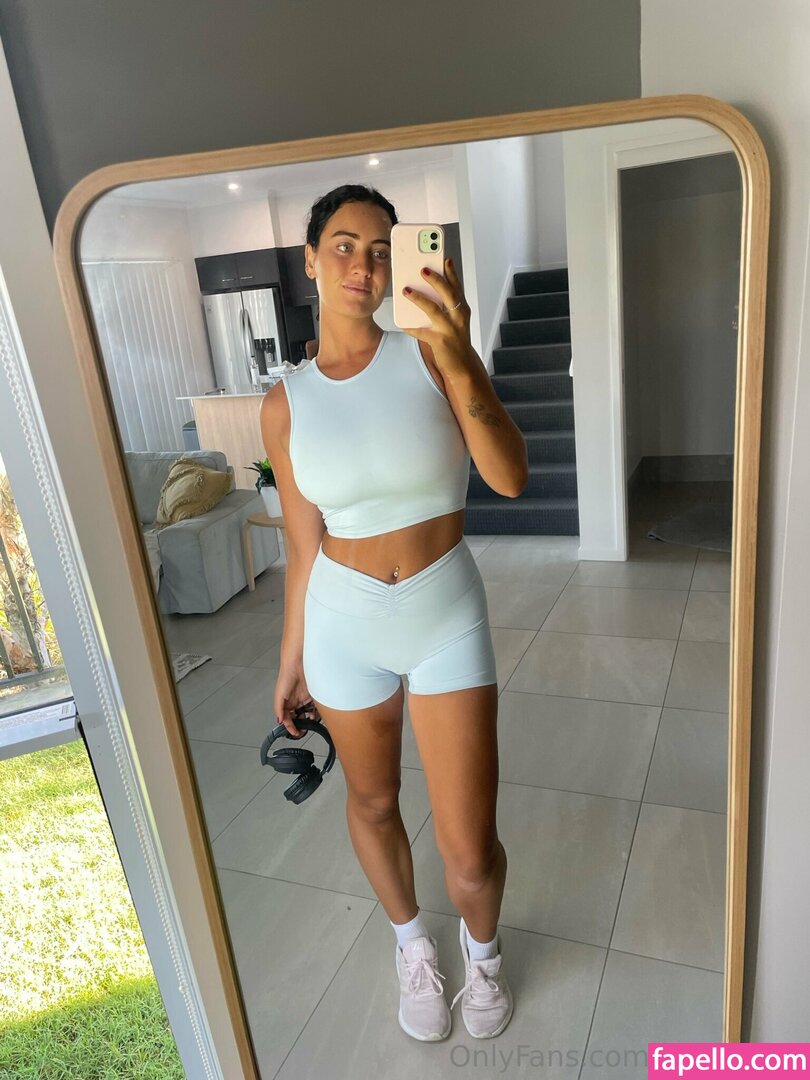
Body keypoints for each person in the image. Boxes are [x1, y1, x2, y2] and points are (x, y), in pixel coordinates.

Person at [260, 184, 528, 1043]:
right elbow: (303, 545)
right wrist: (291, 660)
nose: (364, 264)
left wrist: (461, 354)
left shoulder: (431, 355)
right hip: (342, 624)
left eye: (381, 249)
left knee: (469, 846)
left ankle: (483, 955)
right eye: (344, 245)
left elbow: (509, 477)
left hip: (444, 611)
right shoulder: (286, 403)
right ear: (310, 260)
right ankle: (413, 944)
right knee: (373, 802)